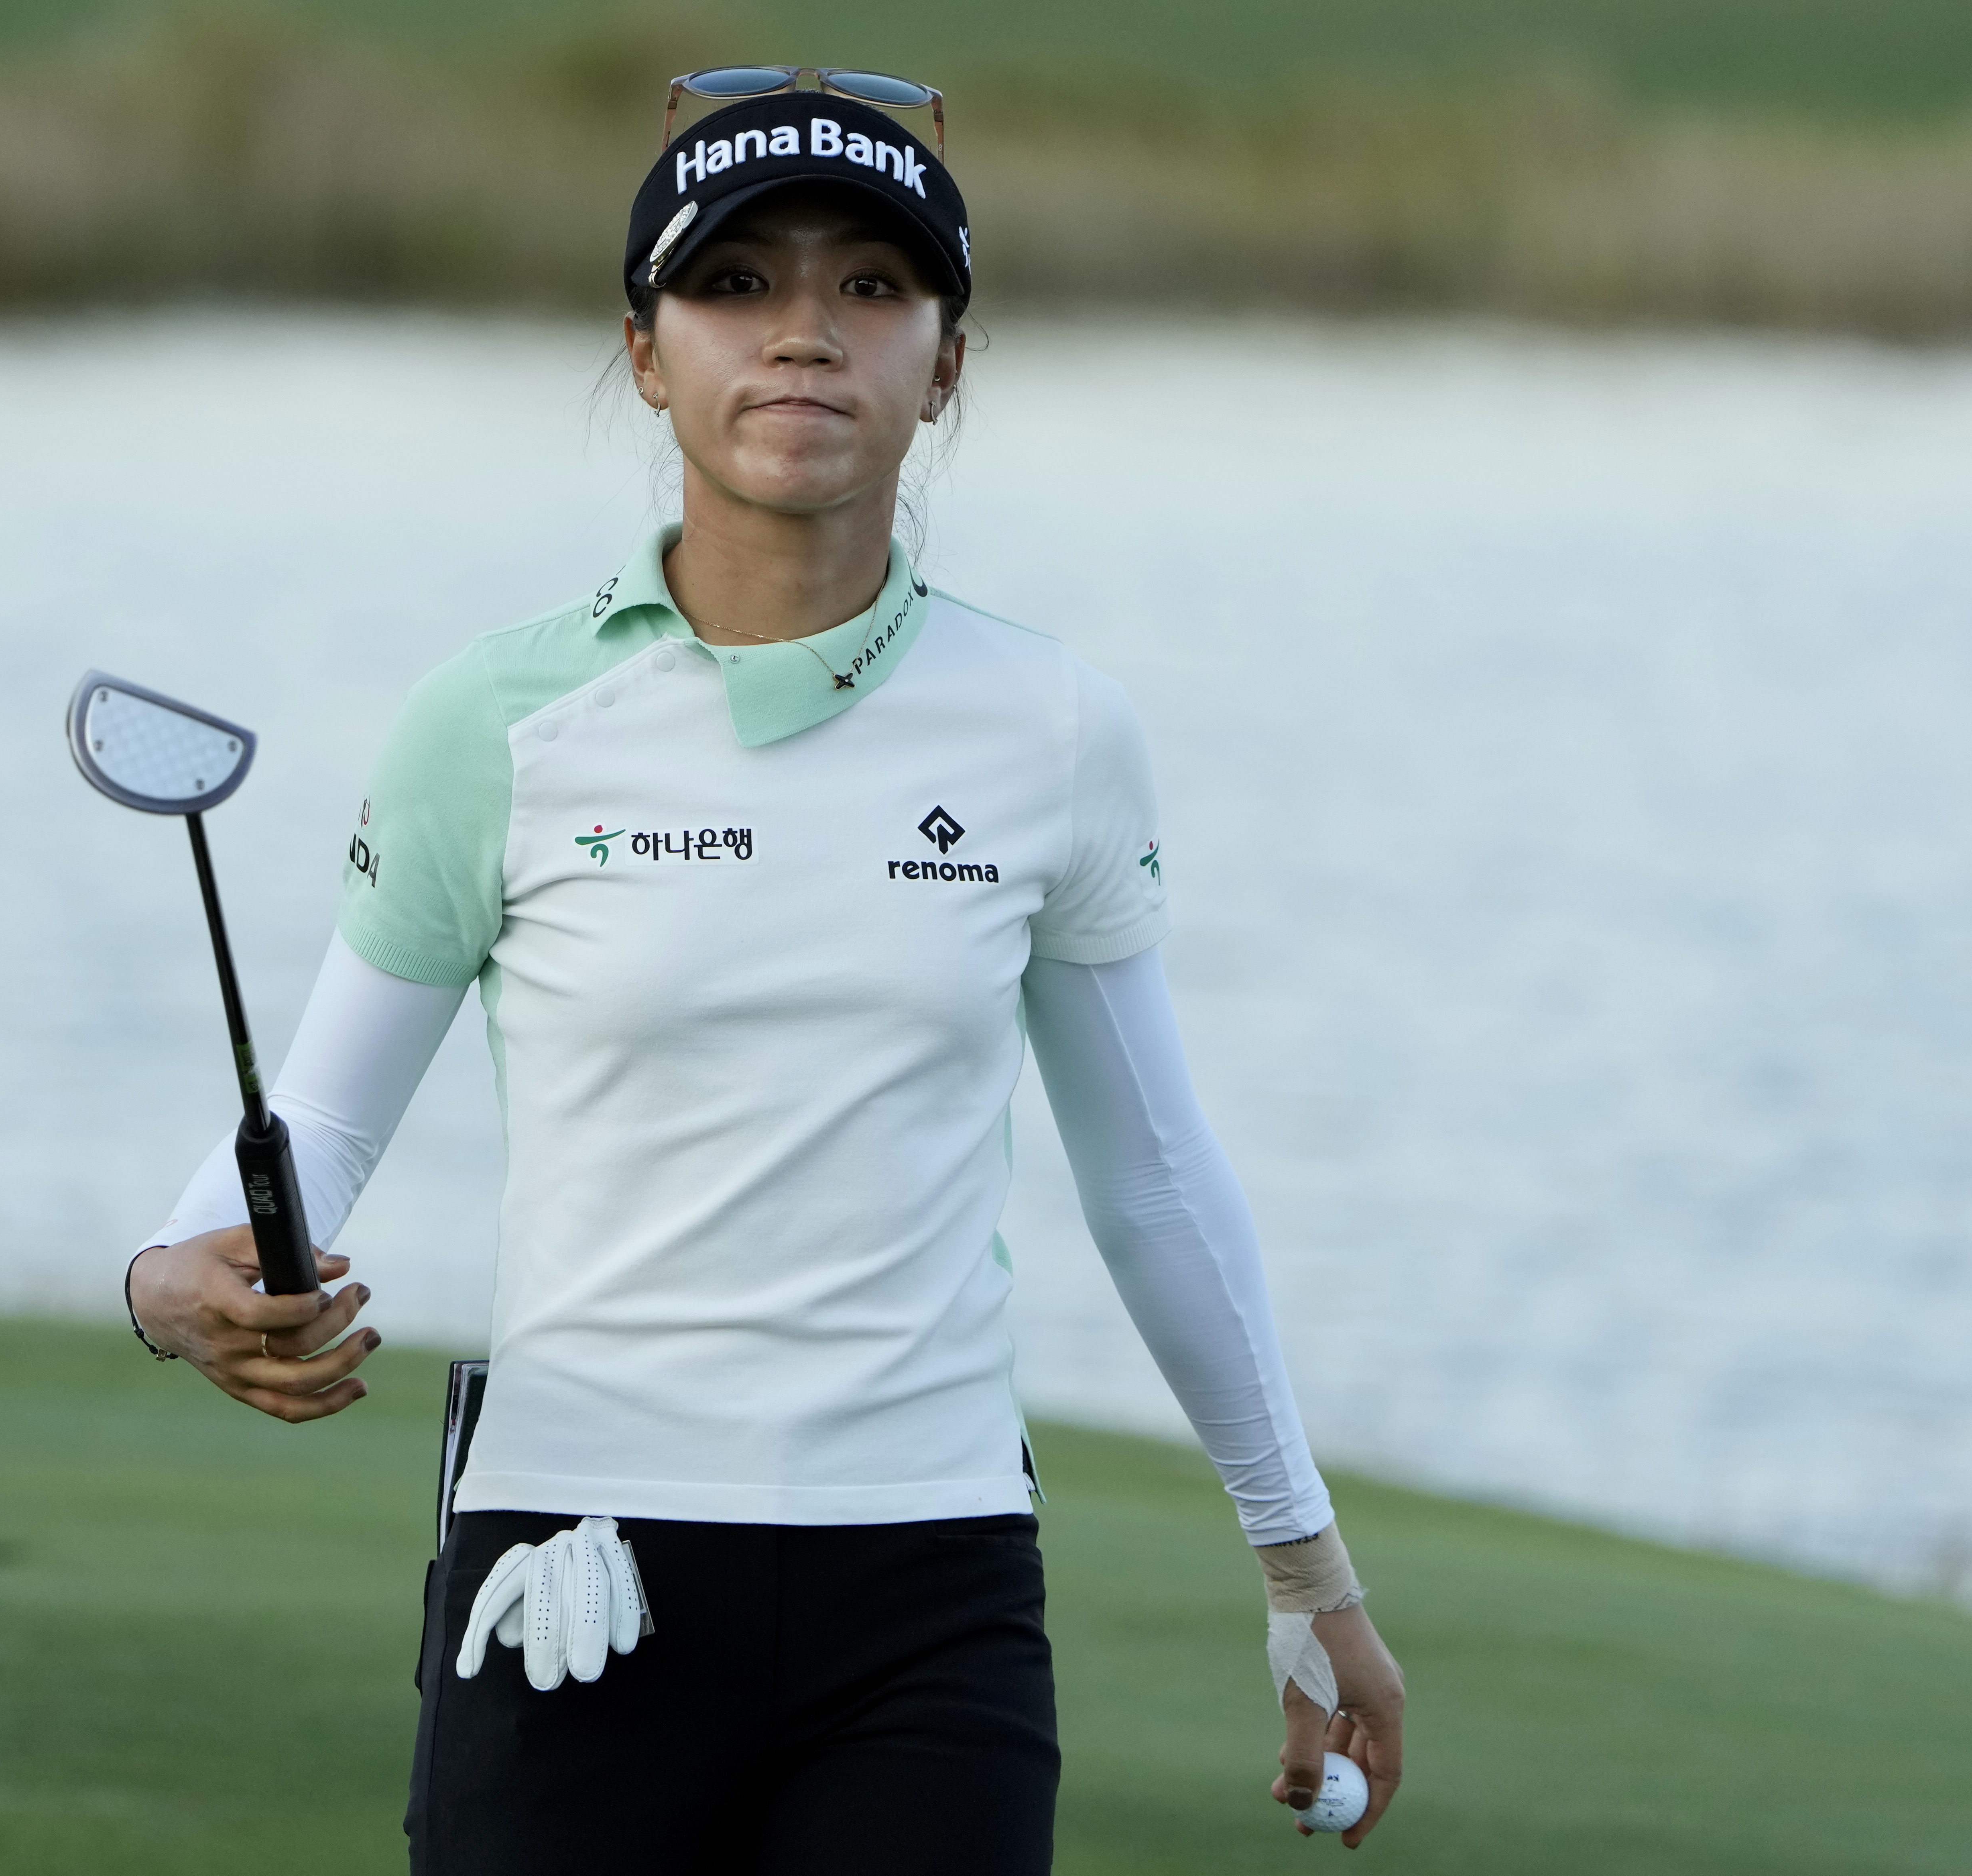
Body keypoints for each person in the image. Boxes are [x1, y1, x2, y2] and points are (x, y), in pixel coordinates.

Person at [122, 74, 1405, 1875]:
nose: (804, 334)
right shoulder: (493, 722)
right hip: (572, 1561)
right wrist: (170, 1278)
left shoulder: (1050, 730)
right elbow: (321, 1119)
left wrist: (1305, 1568)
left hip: (931, 1580)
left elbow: (1153, 1178)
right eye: (736, 285)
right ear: (645, 354)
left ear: (945, 366)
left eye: (872, 288)